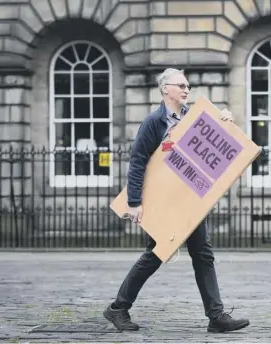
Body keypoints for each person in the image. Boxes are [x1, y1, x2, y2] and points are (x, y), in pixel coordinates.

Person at [103, 68, 250, 333]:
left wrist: (225, 120)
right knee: (156, 255)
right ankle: (117, 308)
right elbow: (137, 163)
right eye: (181, 85)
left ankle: (216, 317)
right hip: (164, 202)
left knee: (203, 255)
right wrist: (134, 202)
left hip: (191, 201)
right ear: (165, 89)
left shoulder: (195, 119)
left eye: (188, 86)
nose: (186, 90)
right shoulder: (154, 123)